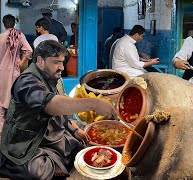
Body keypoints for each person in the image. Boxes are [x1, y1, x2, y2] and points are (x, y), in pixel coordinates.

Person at [0, 40, 117, 179]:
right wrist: (95, 104)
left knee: (81, 141)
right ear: (40, 61)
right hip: (27, 142)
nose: (61, 67)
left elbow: (61, 111)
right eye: (56, 62)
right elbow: (51, 105)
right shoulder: (26, 82)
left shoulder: (51, 78)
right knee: (39, 172)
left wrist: (74, 130)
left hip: (49, 133)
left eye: (62, 62)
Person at [0, 14, 33, 136]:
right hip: (14, 73)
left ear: (4, 24)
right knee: (15, 100)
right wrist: (21, 62)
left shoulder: (1, 37)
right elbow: (29, 50)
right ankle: (15, 129)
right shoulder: (19, 35)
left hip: (2, 73)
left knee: (1, 101)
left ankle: (2, 131)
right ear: (14, 23)